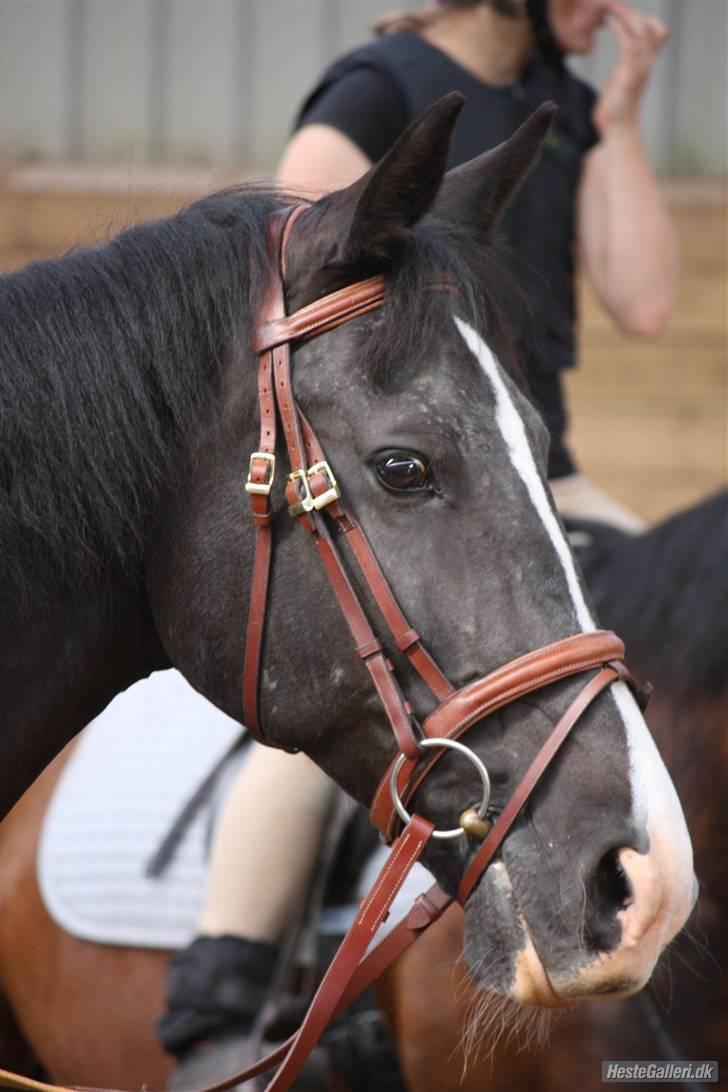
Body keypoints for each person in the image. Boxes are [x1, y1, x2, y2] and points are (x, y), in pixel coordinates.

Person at [157, 1, 675, 1086]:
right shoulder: (376, 85)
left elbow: (641, 302)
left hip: (533, 474)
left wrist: (619, 119)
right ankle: (220, 988)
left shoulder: (569, 108)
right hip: (412, 471)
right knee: (334, 717)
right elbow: (289, 268)